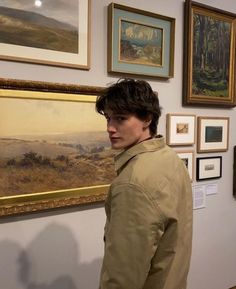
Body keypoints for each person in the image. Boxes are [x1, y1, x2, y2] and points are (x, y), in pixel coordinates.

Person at [96, 78, 193, 289]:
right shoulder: (170, 158)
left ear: (147, 119)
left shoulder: (133, 183)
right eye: (108, 118)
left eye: (120, 118)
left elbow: (122, 278)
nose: (110, 128)